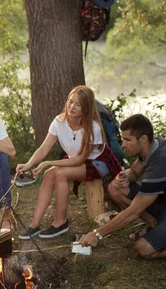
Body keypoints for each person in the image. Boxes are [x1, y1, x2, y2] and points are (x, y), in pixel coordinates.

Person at [80, 114, 166, 259]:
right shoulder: (153, 146)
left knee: (143, 249)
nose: (122, 145)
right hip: (164, 202)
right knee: (115, 188)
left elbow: (134, 212)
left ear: (143, 139)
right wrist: (123, 176)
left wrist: (98, 234)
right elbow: (134, 172)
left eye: (127, 140)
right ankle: (155, 226)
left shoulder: (164, 160)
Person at [16, 86, 121, 239]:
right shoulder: (59, 121)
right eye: (70, 102)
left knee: (59, 173)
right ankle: (34, 225)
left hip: (97, 162)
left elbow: (80, 159)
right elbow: (44, 148)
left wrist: (48, 162)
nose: (72, 107)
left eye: (78, 104)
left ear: (86, 108)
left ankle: (60, 223)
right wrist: (29, 164)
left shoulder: (93, 127)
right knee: (48, 174)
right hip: (75, 160)